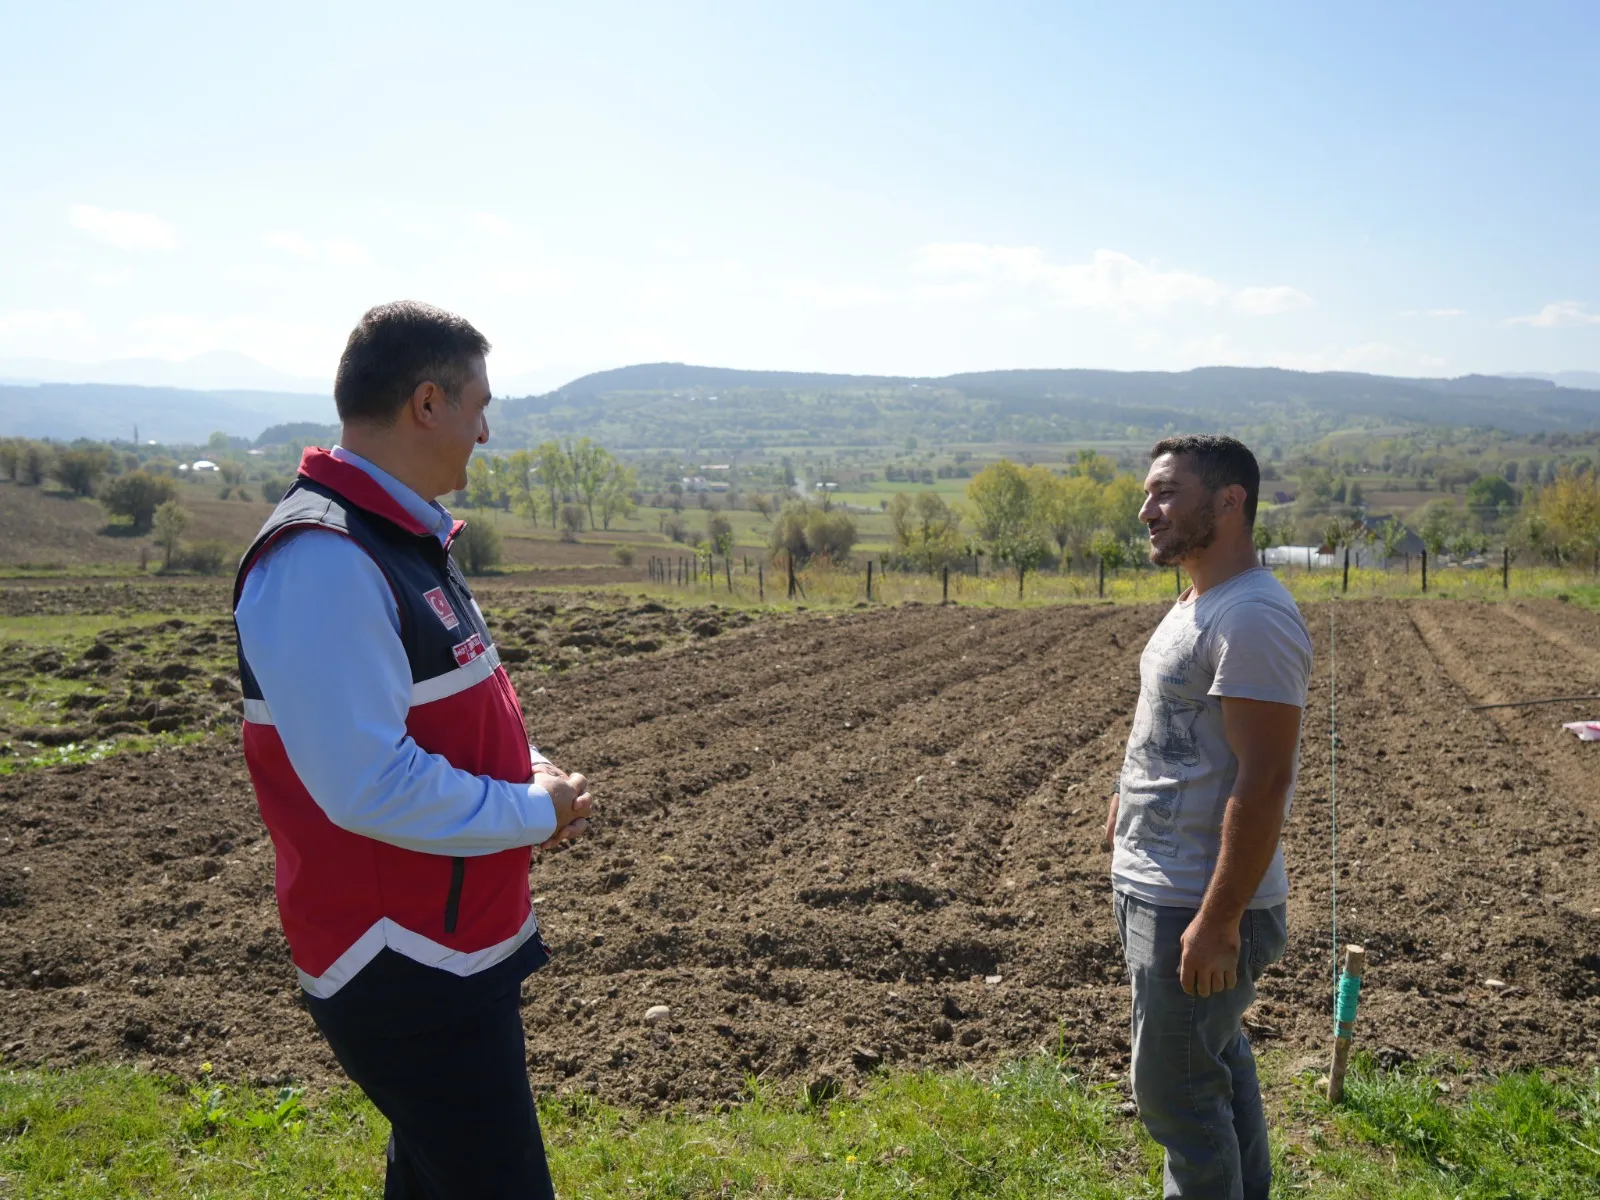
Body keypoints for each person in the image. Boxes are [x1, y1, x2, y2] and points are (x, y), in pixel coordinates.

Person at [233, 301, 592, 1199]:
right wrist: (528, 812)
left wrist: (531, 768)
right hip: (398, 957)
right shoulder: (323, 559)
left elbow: (450, 705)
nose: (486, 430)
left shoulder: (401, 533)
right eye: (479, 403)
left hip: (453, 936)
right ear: (426, 403)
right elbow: (365, 783)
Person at [1102, 434, 1311, 1200]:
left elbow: (1264, 780)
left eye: (1164, 493)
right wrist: (1129, 802)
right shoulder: (1197, 598)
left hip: (1197, 897)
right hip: (1162, 882)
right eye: (1149, 493)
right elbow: (1182, 729)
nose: (1145, 510)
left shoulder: (1254, 617)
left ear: (1229, 503)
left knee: (1177, 1097)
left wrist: (1218, 920)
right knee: (1211, 1068)